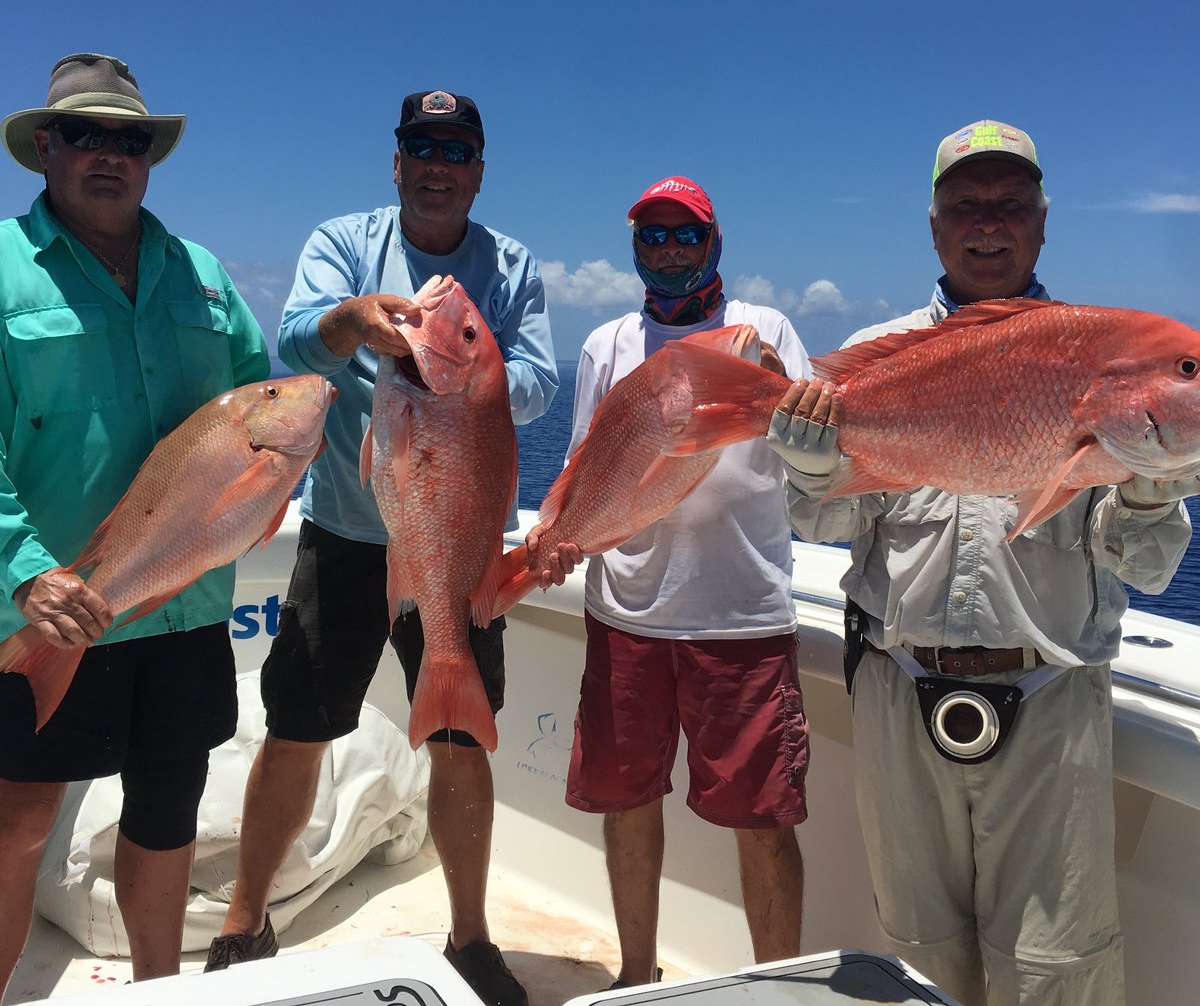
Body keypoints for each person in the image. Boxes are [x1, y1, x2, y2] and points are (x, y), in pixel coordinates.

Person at [769, 120, 1195, 1006]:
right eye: (967, 204)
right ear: (934, 225)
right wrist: (812, 463)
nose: (988, 222)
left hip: (1050, 702)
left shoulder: (1101, 355)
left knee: (1056, 969)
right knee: (918, 955)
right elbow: (823, 518)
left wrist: (1152, 488)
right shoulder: (876, 356)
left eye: (1010, 204)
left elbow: (1145, 567)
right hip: (896, 687)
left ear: (1043, 222)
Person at [205, 91, 557, 1006]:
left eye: (457, 150)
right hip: (347, 533)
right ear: (396, 162)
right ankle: (246, 918)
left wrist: (463, 367)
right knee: (298, 728)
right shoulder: (342, 242)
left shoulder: (509, 265)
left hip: (459, 531)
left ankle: (471, 937)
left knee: (458, 742)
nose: (439, 165)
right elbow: (292, 341)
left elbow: (540, 384)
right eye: (421, 147)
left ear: (479, 169)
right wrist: (356, 325)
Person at [0, 53, 271, 995]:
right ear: (46, 146)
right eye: (86, 134)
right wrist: (26, 575)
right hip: (50, 608)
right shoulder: (1, 272)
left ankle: (164, 991)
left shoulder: (201, 276)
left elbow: (253, 412)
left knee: (168, 810)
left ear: (150, 156)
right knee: (21, 820)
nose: (109, 154)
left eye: (130, 139)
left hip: (186, 605)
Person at [556, 176, 811, 989]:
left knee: (762, 819)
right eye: (652, 237)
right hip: (626, 612)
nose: (669, 251)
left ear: (714, 243)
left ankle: (774, 987)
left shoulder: (761, 328)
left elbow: (812, 450)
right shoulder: (606, 345)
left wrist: (792, 403)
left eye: (684, 236)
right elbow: (581, 468)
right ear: (635, 249)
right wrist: (558, 534)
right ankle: (636, 977)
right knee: (628, 802)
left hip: (741, 617)